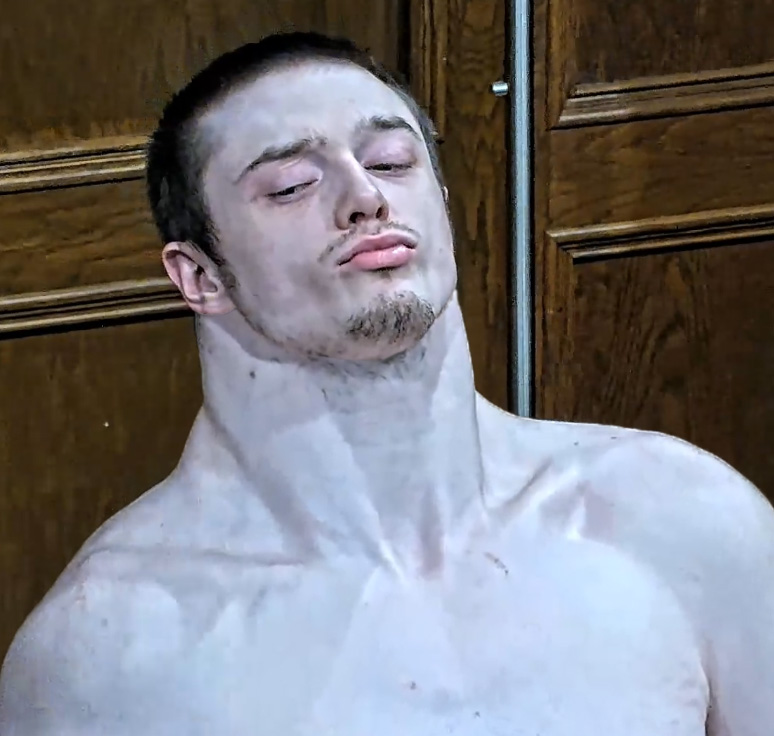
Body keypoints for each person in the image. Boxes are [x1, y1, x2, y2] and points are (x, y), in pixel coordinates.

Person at [1, 30, 772, 736]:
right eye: (291, 186)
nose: (364, 197)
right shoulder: (108, 653)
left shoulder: (683, 519)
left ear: (441, 200)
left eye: (392, 162)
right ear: (199, 275)